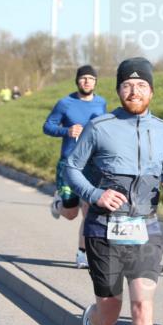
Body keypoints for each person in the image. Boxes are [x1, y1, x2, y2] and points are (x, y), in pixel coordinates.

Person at [65, 58, 163, 325]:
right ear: (118, 90)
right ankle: (92, 323)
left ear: (151, 91)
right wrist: (96, 194)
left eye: (142, 85)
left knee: (143, 308)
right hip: (104, 230)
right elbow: (72, 168)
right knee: (111, 311)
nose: (135, 91)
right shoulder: (100, 127)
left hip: (147, 229)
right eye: (128, 85)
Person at [42, 65, 108, 268]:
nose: (87, 81)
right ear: (77, 81)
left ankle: (82, 254)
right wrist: (66, 131)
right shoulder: (65, 103)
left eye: (91, 78)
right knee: (71, 213)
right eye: (83, 78)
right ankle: (57, 204)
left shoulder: (101, 103)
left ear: (95, 82)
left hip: (91, 164)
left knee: (88, 210)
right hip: (69, 163)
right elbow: (47, 126)